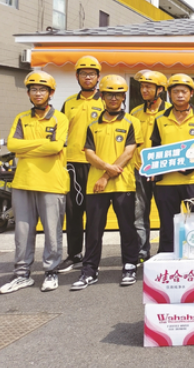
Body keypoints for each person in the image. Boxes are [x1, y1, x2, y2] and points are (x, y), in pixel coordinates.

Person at [0, 72, 69, 294]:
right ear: (28, 93)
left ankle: (51, 271)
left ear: (51, 93)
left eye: (42, 89)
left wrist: (26, 147)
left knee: (52, 231)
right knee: (22, 231)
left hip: (52, 182)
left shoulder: (60, 118)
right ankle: (22, 275)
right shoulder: (21, 118)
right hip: (24, 181)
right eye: (33, 89)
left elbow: (56, 147)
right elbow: (12, 145)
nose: (38, 93)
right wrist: (41, 144)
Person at [72, 75, 141, 290]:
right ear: (102, 95)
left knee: (127, 228)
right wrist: (105, 169)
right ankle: (89, 270)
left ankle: (129, 265)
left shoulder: (132, 122)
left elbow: (128, 153)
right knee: (93, 230)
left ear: (123, 97)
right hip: (96, 187)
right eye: (109, 94)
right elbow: (89, 154)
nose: (113, 98)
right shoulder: (93, 125)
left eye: (118, 94)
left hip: (122, 184)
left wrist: (105, 175)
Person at [151, 74, 194, 253]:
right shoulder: (160, 118)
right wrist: (155, 169)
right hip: (167, 180)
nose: (180, 95)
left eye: (184, 92)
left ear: (191, 93)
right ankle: (166, 256)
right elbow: (155, 146)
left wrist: (193, 165)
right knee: (167, 223)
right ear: (169, 94)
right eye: (176, 91)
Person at [58, 56, 104, 273]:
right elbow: (60, 134)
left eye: (92, 74)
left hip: (98, 165)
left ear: (98, 77)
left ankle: (92, 257)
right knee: (74, 212)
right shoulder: (69, 103)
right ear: (77, 76)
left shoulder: (106, 100)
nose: (88, 77)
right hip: (73, 164)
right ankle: (74, 254)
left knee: (95, 213)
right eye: (84, 73)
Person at [130, 70, 170, 262]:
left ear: (159, 89)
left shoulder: (170, 111)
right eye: (142, 86)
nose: (144, 90)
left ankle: (166, 250)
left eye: (148, 87)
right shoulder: (135, 113)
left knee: (166, 212)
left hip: (164, 171)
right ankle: (141, 251)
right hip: (139, 170)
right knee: (139, 213)